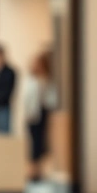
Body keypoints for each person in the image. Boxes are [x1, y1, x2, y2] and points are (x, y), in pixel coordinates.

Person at [23, 52, 55, 182]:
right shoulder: (30, 81)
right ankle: (33, 171)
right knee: (34, 143)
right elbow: (27, 99)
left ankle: (39, 170)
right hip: (32, 115)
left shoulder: (47, 80)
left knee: (42, 143)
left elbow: (51, 98)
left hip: (44, 113)